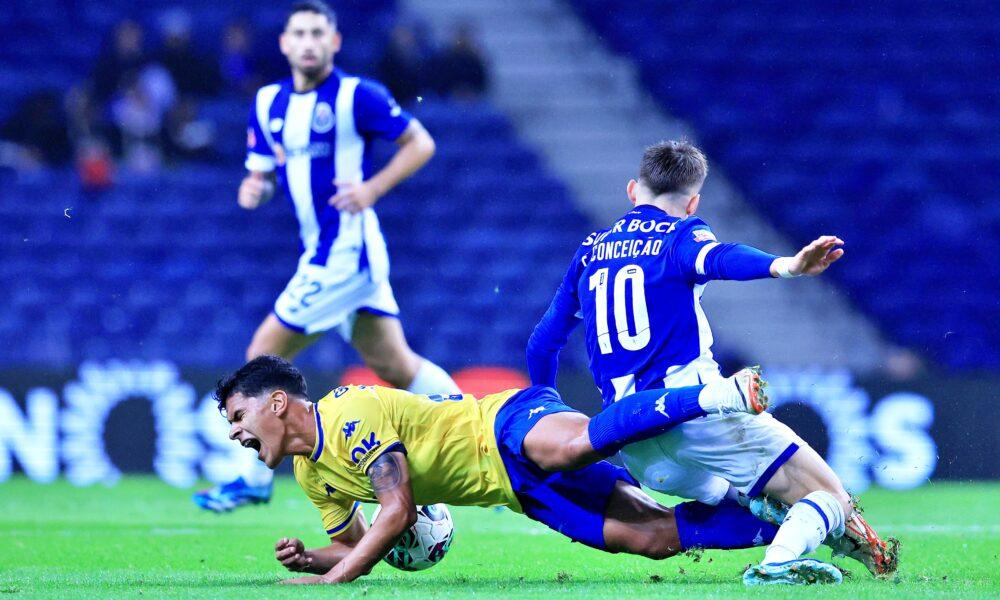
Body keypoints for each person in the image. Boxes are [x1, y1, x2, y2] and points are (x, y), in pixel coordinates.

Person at [525, 140, 898, 585]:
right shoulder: (681, 234)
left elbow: (542, 344)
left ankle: (754, 501)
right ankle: (776, 563)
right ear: (693, 202)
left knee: (747, 493)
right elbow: (719, 258)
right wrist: (787, 266)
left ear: (632, 191)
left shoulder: (589, 252)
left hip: (637, 447)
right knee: (832, 498)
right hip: (697, 417)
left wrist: (545, 410)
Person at [193, 0, 459, 512]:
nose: (310, 41)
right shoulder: (268, 102)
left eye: (320, 32)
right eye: (300, 32)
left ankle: (251, 475)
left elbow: (420, 143)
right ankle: (482, 438)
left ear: (334, 42)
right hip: (328, 251)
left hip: (346, 251)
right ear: (285, 44)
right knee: (396, 363)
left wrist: (372, 189)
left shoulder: (359, 96)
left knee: (262, 351)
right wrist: (254, 189)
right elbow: (265, 172)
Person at [216, 355, 779, 585]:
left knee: (574, 446)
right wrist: (315, 560)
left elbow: (399, 512)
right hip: (513, 489)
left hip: (503, 423)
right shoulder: (312, 475)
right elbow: (362, 546)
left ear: (276, 404)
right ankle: (787, 524)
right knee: (650, 538)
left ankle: (712, 395)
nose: (236, 432)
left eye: (239, 416)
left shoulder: (346, 413)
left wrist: (335, 581)